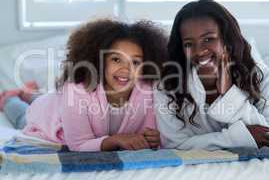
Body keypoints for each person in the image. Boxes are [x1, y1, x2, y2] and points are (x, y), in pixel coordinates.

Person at [0, 19, 167, 152]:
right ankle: (10, 97)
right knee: (23, 115)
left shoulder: (148, 90)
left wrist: (153, 138)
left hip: (56, 100)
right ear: (100, 61)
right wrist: (115, 140)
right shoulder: (76, 89)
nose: (126, 69)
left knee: (45, 97)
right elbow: (78, 145)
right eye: (116, 59)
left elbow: (148, 133)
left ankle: (29, 92)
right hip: (49, 115)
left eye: (135, 62)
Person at [155, 0, 269, 151]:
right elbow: (174, 145)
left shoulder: (262, 77)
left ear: (227, 38)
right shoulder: (168, 85)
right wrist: (240, 138)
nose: (199, 51)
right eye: (189, 44)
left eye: (208, 39)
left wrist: (230, 93)